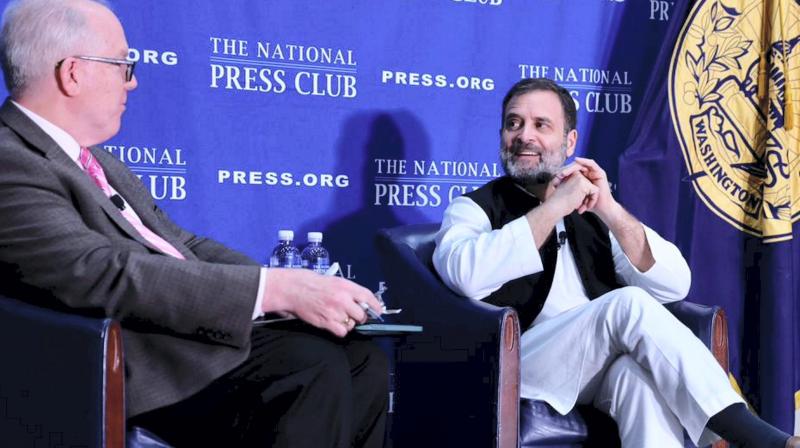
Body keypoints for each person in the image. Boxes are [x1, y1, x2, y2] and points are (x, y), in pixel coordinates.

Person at [0, 0, 387, 446]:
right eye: (124, 65)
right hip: (128, 365)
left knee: (363, 360)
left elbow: (180, 243)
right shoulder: (12, 159)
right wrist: (272, 292)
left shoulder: (98, 160)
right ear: (73, 73)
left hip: (177, 344)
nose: (134, 80)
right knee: (308, 364)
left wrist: (286, 286)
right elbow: (94, 271)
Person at [433, 77, 799, 448]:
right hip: (520, 364)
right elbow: (465, 275)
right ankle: (759, 438)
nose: (524, 135)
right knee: (627, 305)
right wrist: (554, 207)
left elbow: (674, 284)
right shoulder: (474, 207)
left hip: (593, 364)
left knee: (638, 382)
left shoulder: (593, 212)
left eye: (541, 125)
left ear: (570, 142)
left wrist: (608, 208)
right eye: (514, 123)